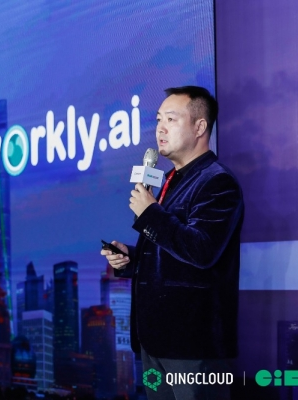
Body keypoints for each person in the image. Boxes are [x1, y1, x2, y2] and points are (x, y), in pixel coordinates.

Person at [101, 86, 244, 400]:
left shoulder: (217, 182)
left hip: (192, 346)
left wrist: (150, 214)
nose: (160, 129)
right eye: (158, 120)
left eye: (171, 119)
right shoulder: (169, 180)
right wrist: (131, 258)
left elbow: (201, 250)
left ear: (200, 126)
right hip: (155, 342)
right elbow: (170, 253)